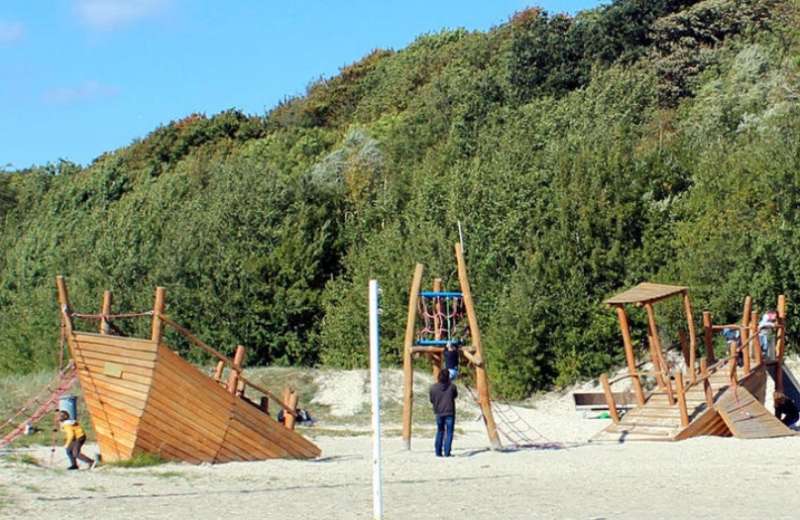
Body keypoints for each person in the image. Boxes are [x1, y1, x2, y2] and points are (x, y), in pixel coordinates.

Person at [429, 369, 457, 457]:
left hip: (439, 412)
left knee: (440, 431)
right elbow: (455, 395)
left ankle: (438, 452)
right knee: (449, 432)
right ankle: (447, 452)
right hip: (449, 412)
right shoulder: (452, 387)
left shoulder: (433, 387)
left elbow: (431, 400)